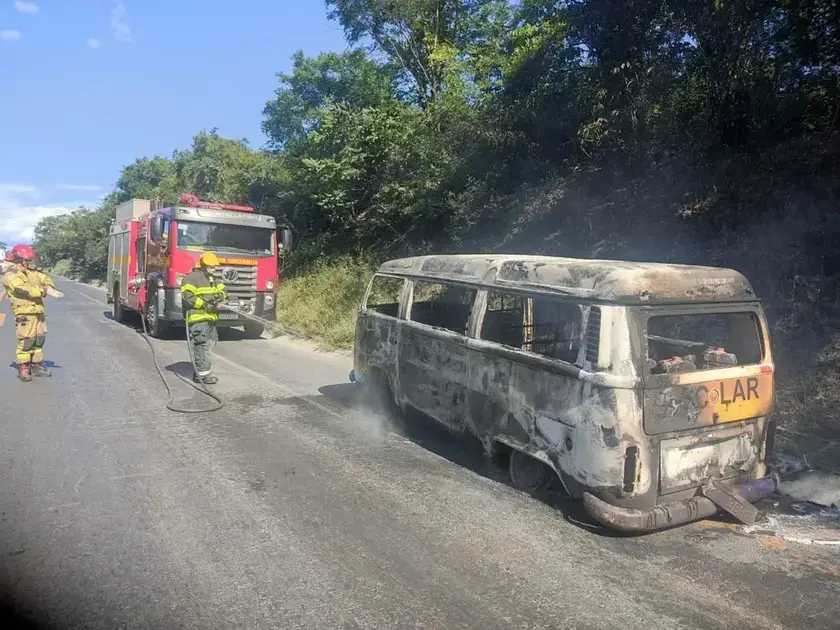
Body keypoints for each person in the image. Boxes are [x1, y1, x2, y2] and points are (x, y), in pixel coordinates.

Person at [1, 244, 64, 381]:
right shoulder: (11, 275)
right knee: (27, 340)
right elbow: (23, 289)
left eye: (29, 261)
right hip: (24, 313)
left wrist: (49, 285)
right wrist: (44, 291)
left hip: (38, 312)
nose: (28, 263)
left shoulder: (31, 272)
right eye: (26, 260)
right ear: (18, 259)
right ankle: (24, 367)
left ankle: (36, 365)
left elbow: (45, 278)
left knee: (39, 339)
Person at [180, 252, 227, 385]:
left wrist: (220, 296)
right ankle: (202, 374)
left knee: (211, 344)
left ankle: (203, 370)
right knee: (201, 344)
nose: (214, 269)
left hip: (211, 318)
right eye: (212, 267)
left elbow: (224, 290)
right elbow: (188, 299)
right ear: (203, 265)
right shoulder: (190, 279)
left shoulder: (212, 279)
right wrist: (205, 304)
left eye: (214, 267)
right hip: (198, 318)